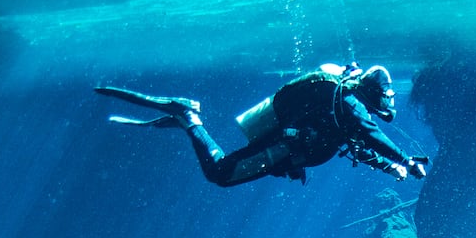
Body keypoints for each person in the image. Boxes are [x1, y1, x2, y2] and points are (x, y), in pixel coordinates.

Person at [96, 64, 428, 186]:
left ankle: (186, 122)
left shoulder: (346, 108)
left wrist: (389, 167)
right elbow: (369, 135)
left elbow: (358, 144)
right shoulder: (349, 105)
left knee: (222, 174)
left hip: (285, 153)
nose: (388, 104)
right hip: (280, 148)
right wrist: (406, 160)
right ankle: (188, 116)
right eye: (386, 97)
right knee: (220, 174)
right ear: (372, 93)